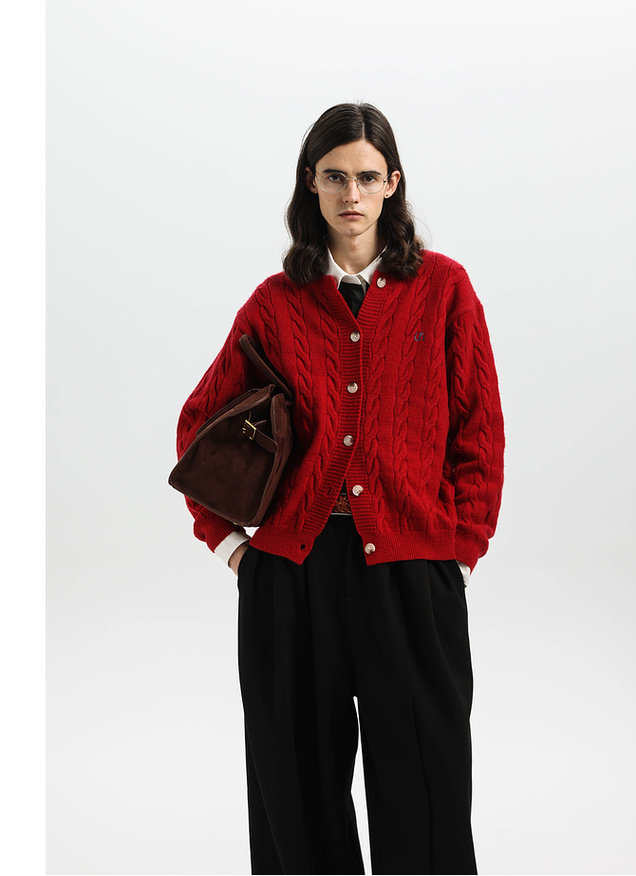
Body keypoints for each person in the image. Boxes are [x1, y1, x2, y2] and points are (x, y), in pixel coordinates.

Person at [175, 101, 505, 875]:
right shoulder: (275, 303)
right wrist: (233, 548)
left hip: (412, 575)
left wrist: (457, 555)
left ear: (392, 183)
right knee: (295, 793)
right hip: (292, 578)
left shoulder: (444, 289)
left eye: (365, 176)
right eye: (333, 177)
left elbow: (479, 431)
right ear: (311, 185)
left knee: (426, 788)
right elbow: (199, 425)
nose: (350, 193)